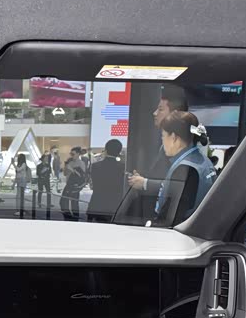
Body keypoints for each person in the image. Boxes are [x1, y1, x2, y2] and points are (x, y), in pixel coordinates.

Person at [132, 111, 215, 226]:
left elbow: (172, 215)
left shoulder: (184, 169)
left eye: (163, 136)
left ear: (174, 137)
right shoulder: (204, 162)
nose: (162, 141)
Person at [127, 85, 189, 222]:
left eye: (160, 109)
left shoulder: (179, 146)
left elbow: (178, 186)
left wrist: (145, 183)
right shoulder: (166, 145)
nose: (155, 113)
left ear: (174, 114)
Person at [87, 139, 125, 222]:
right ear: (119, 152)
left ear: (106, 150)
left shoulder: (95, 166)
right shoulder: (123, 167)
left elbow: (93, 185)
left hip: (97, 204)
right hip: (115, 206)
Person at [60, 147, 87, 221]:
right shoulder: (70, 162)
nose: (71, 155)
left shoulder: (81, 163)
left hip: (75, 186)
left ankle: (75, 219)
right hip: (68, 185)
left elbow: (82, 176)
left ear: (78, 154)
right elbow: (65, 174)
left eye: (73, 154)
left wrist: (72, 170)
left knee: (74, 204)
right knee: (63, 202)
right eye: (70, 154)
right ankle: (68, 217)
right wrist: (66, 167)